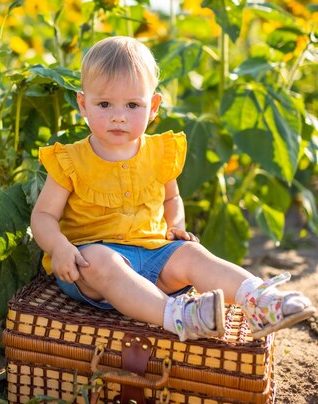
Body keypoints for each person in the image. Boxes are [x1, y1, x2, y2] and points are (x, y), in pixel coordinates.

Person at [30, 36, 315, 341]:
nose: (118, 116)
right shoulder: (70, 159)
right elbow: (44, 215)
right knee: (103, 260)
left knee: (193, 254)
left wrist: (175, 226)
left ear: (153, 106)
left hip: (153, 255)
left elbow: (172, 197)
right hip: (91, 268)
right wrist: (59, 247)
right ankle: (178, 316)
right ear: (83, 104)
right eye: (104, 104)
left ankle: (259, 301)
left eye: (132, 105)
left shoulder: (160, 152)